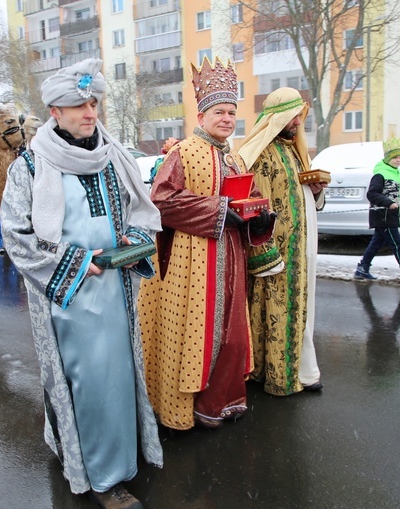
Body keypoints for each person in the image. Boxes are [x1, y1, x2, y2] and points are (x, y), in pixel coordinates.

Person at [0, 59, 163, 509]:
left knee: (118, 378)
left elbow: (138, 213)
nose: (89, 113)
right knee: (87, 384)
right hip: (67, 302)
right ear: (55, 111)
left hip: (116, 294)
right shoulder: (29, 167)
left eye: (93, 103)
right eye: (78, 105)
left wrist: (134, 240)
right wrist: (75, 263)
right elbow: (16, 237)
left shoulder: (114, 159)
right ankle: (104, 479)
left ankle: (116, 458)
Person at [138, 57, 274, 431]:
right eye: (219, 111)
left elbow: (249, 198)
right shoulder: (183, 152)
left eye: (232, 112)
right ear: (202, 115)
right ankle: (187, 407)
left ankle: (221, 400)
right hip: (192, 261)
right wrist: (218, 211)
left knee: (230, 334)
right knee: (194, 336)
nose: (227, 118)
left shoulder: (234, 157)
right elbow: (162, 201)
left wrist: (260, 218)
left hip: (230, 258)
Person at [238, 87, 326, 396]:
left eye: (299, 116)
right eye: (292, 117)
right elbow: (256, 207)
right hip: (277, 252)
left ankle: (302, 369)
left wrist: (316, 192)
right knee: (273, 312)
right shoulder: (260, 154)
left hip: (300, 251)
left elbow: (301, 197)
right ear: (276, 118)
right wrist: (264, 253)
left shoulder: (292, 150)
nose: (298, 123)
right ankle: (275, 375)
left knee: (298, 311)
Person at [353, 136, 400, 285]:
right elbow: (372, 194)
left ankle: (362, 268)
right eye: (395, 157)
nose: (398, 160)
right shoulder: (380, 174)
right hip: (382, 215)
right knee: (398, 244)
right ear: (388, 158)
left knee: (376, 243)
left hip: (392, 216)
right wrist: (388, 202)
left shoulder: (399, 175)